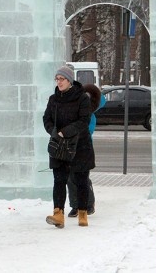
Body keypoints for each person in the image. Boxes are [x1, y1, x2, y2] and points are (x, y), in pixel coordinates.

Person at [43, 65, 95, 228]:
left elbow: (84, 121)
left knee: (81, 180)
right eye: (57, 79)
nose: (58, 82)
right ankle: (58, 214)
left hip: (80, 145)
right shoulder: (53, 99)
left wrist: (65, 132)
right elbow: (46, 118)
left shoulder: (82, 98)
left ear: (69, 81)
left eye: (62, 79)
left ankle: (82, 213)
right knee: (59, 180)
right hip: (59, 145)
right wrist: (53, 132)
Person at [67, 83, 104, 218]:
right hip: (70, 147)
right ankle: (75, 205)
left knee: (82, 177)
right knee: (70, 177)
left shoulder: (90, 116)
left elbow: (88, 130)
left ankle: (88, 204)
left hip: (84, 148)